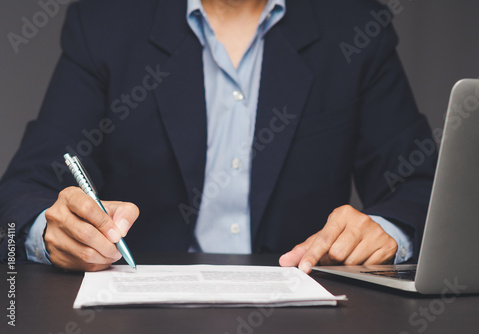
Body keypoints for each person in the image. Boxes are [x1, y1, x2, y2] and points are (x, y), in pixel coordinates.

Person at [0, 0, 436, 273]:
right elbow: (24, 189)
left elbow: (422, 184)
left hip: (307, 313)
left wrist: (387, 230)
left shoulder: (356, 26)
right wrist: (50, 231)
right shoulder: (105, 22)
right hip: (138, 315)